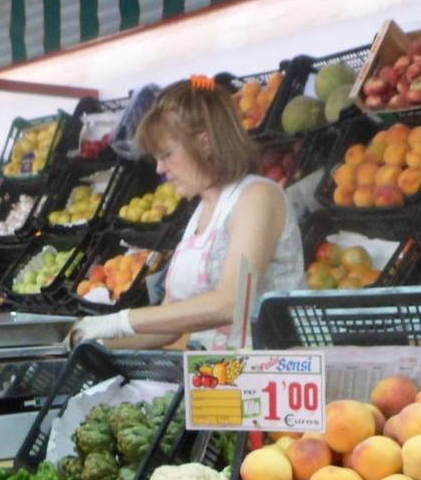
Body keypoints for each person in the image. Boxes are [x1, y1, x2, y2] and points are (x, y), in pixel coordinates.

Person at [71, 75, 305, 350]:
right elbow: (168, 326)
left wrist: (120, 321)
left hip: (267, 377)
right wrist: (96, 343)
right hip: (213, 378)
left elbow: (231, 302)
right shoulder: (202, 211)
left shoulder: (257, 198)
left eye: (167, 155)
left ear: (204, 142)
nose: (159, 169)